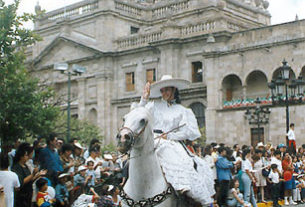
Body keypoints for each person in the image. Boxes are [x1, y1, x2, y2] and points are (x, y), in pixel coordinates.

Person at [134, 75, 215, 205]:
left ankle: (183, 188)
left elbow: (189, 132)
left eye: (167, 90)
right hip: (152, 139)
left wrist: (170, 136)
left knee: (182, 161)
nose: (164, 93)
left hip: (171, 142)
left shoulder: (183, 110)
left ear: (173, 90)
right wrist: (144, 98)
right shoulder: (153, 105)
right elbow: (138, 115)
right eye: (162, 90)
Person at [12, 143, 47, 207]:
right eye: (25, 155)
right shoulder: (17, 167)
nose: (27, 157)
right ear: (21, 156)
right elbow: (21, 182)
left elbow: (30, 181)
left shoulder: (26, 166)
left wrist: (37, 175)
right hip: (21, 198)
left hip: (28, 196)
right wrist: (33, 174)